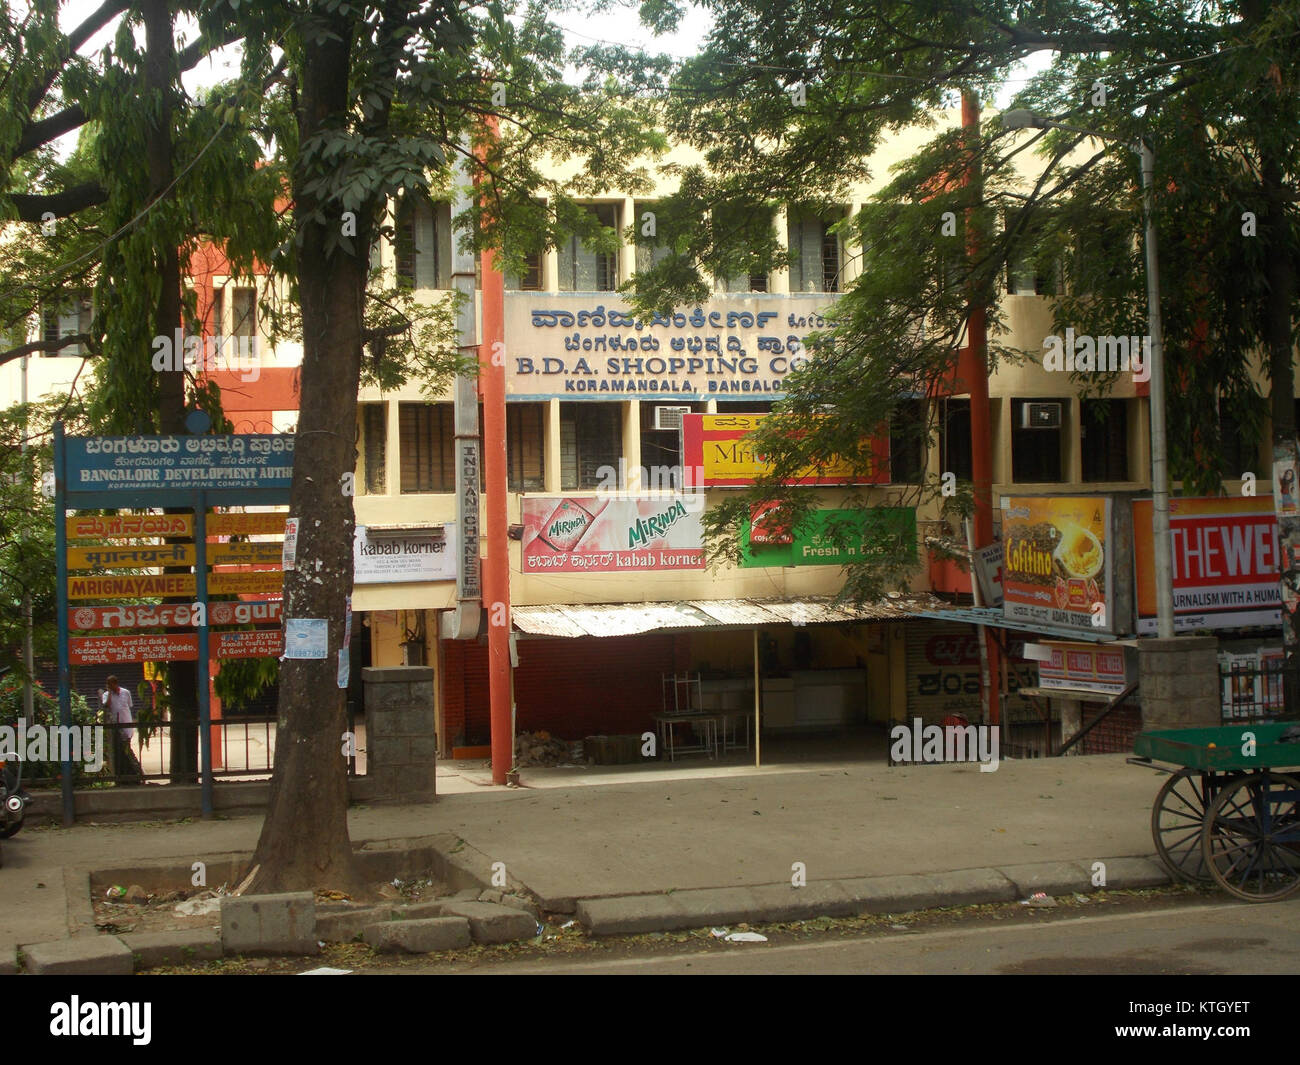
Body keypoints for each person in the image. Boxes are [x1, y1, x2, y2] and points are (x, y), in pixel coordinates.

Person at [98, 676, 143, 783]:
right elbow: (107, 705)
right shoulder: (106, 695)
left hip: (126, 724)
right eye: (108, 685)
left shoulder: (125, 692)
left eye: (111, 684)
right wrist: (109, 692)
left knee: (127, 747)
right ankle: (131, 771)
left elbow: (129, 706)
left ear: (115, 683)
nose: (109, 686)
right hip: (116, 725)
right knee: (121, 748)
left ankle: (135, 771)